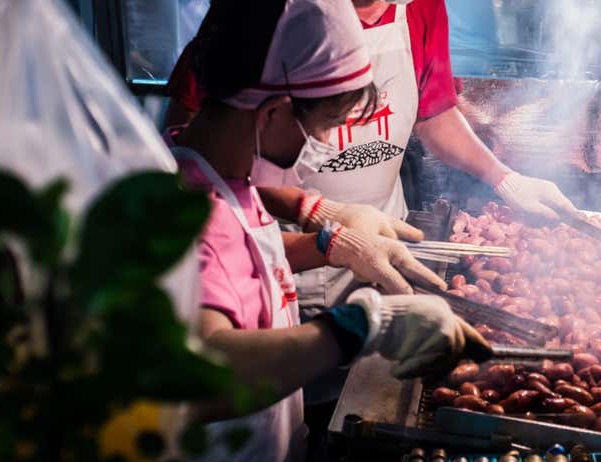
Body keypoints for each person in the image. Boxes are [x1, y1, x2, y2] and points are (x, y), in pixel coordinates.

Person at [120, 2, 488, 462]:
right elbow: (196, 374)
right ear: (270, 113)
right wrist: (358, 327)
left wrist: (326, 244)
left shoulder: (224, 180)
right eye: (318, 125)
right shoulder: (189, 219)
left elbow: (248, 262)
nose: (319, 142)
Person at [165, 0, 578, 316]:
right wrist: (321, 235)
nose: (329, 136)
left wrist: (504, 178)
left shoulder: (416, 8)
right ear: (274, 110)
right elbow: (201, 158)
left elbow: (434, 112)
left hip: (375, 231)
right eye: (328, 119)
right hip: (274, 252)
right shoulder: (259, 17)